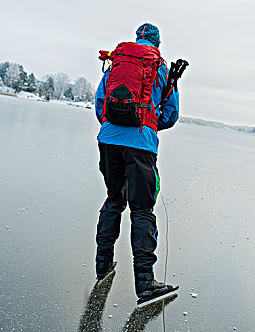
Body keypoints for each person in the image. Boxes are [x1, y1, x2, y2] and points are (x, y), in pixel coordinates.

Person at [94, 23, 179, 302]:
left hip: (108, 139)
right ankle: (145, 284)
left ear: (136, 39)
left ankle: (102, 266)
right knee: (142, 210)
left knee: (113, 199)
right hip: (141, 144)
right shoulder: (160, 69)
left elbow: (100, 104)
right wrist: (145, 126)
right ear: (156, 42)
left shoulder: (116, 63)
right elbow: (169, 115)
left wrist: (114, 128)